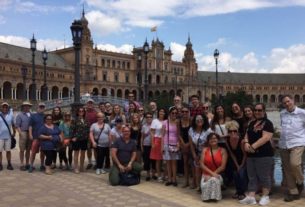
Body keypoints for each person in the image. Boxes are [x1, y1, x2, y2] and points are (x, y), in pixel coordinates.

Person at [240, 103, 274, 206]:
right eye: (255, 110)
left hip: (264, 154)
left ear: (264, 111)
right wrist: (246, 143)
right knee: (252, 176)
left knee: (264, 176)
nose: (257, 112)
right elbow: (246, 135)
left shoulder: (267, 123)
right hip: (251, 155)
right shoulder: (252, 123)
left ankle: (265, 196)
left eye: (259, 110)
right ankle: (251, 196)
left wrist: (252, 146)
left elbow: (266, 137)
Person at [279, 95, 305, 202]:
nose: (287, 104)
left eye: (288, 101)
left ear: (293, 101)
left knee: (295, 164)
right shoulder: (282, 113)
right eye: (284, 103)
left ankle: (300, 181)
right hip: (284, 144)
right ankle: (293, 192)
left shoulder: (303, 113)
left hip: (298, 142)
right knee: (287, 169)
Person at [200, 133, 228, 201]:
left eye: (215, 138)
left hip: (218, 174)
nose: (213, 140)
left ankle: (214, 197)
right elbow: (201, 164)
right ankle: (206, 197)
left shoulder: (223, 150)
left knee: (214, 180)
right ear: (208, 141)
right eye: (211, 138)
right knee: (208, 182)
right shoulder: (205, 150)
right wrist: (211, 174)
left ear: (218, 140)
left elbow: (222, 167)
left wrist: (212, 175)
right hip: (205, 175)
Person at [189, 114, 213, 190]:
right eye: (197, 120)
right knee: (197, 169)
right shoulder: (191, 130)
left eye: (201, 119)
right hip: (196, 152)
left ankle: (206, 186)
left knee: (205, 169)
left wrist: (201, 155)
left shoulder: (208, 130)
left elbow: (210, 144)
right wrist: (194, 155)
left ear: (204, 120)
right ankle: (199, 186)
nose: (199, 121)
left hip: (206, 152)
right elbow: (191, 144)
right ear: (195, 121)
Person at [226, 121, 247, 200]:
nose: (233, 133)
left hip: (243, 159)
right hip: (235, 160)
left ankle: (242, 192)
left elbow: (245, 155)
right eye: (230, 131)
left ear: (237, 131)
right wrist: (237, 165)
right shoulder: (227, 140)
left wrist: (241, 165)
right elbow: (232, 154)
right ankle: (238, 191)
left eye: (235, 131)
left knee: (241, 175)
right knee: (235, 175)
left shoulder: (241, 141)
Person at [162, 107, 180, 186]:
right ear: (169, 113)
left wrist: (178, 143)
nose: (174, 114)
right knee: (168, 162)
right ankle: (169, 178)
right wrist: (162, 146)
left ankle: (174, 179)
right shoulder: (165, 122)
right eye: (173, 113)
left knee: (174, 162)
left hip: (175, 144)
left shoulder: (177, 122)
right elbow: (162, 135)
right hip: (166, 143)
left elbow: (179, 134)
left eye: (176, 113)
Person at [70, 107, 90, 173]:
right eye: (80, 111)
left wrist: (88, 137)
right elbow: (71, 129)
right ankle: (76, 167)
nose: (81, 112)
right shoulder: (74, 120)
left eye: (82, 111)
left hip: (84, 139)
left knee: (83, 153)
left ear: (84, 112)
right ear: (77, 112)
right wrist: (73, 137)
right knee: (76, 153)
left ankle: (81, 166)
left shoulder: (86, 120)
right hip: (77, 139)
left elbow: (88, 129)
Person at [150, 108, 167, 182]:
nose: (162, 112)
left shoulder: (166, 121)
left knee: (166, 160)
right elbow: (152, 132)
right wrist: (152, 143)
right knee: (158, 160)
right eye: (160, 111)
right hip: (157, 140)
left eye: (163, 111)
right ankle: (159, 175)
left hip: (165, 141)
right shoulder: (155, 121)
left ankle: (165, 175)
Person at [28, 102, 46, 172]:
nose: (41, 108)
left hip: (43, 137)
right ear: (37, 108)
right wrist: (30, 134)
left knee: (43, 152)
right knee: (33, 152)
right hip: (35, 137)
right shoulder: (33, 116)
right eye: (40, 107)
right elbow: (30, 126)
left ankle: (42, 164)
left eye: (43, 107)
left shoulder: (45, 116)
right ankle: (31, 165)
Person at [15, 101, 32, 171]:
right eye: (25, 106)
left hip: (30, 132)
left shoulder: (31, 114)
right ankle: (22, 163)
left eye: (28, 106)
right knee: (22, 149)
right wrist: (20, 133)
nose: (26, 107)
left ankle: (27, 163)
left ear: (29, 107)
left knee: (28, 150)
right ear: (23, 107)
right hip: (23, 132)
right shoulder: (19, 115)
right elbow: (17, 125)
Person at [179, 106, 192, 187]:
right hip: (183, 144)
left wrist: (189, 143)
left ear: (189, 112)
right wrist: (183, 144)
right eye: (183, 112)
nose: (184, 113)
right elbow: (179, 133)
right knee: (185, 163)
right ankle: (186, 181)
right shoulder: (179, 121)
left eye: (186, 111)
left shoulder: (191, 121)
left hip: (191, 143)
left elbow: (194, 132)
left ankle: (194, 181)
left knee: (192, 163)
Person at [0, 102, 15, 171]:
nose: (5, 108)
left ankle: (9, 163)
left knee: (8, 151)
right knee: (0, 151)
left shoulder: (10, 115)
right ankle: (0, 164)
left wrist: (14, 132)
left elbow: (13, 124)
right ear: (1, 108)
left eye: (6, 107)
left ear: (8, 108)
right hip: (0, 136)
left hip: (8, 136)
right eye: (3, 107)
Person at [141, 112, 156, 181]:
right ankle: (148, 174)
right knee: (147, 160)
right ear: (145, 118)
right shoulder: (144, 126)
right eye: (147, 117)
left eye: (150, 117)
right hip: (146, 145)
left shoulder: (155, 126)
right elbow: (142, 137)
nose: (149, 118)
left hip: (153, 145)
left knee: (153, 160)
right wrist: (141, 145)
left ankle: (153, 174)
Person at [85, 98, 98, 170]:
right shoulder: (84, 112)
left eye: (91, 103)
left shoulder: (96, 113)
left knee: (95, 149)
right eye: (88, 103)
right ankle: (90, 162)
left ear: (93, 104)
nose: (90, 104)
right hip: (87, 133)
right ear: (86, 104)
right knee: (88, 148)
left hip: (94, 133)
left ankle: (96, 162)